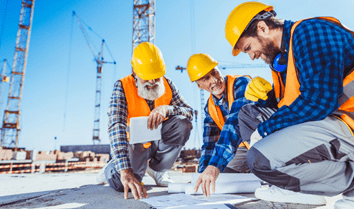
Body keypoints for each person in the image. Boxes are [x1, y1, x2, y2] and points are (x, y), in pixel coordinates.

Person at [225, 1, 354, 208]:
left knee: (259, 159)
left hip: (347, 123)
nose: (251, 56)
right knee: (250, 114)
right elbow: (291, 104)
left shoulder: (309, 32)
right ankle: (295, 183)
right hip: (329, 119)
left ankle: (345, 181)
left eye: (249, 47)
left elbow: (318, 100)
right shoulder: (284, 57)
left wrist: (267, 129)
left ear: (262, 28)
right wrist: (267, 99)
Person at [97, 42, 193, 200]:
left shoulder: (168, 84)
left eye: (156, 77)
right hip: (134, 146)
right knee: (125, 184)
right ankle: (112, 167)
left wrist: (167, 109)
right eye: (146, 78)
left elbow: (189, 112)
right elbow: (116, 126)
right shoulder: (122, 87)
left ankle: (158, 170)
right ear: (134, 72)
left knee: (183, 123)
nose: (152, 82)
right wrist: (125, 171)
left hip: (157, 142)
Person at [186, 53, 255, 197]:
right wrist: (203, 173)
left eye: (214, 72)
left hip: (258, 142)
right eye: (206, 78)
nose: (214, 80)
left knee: (221, 173)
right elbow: (209, 144)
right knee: (218, 178)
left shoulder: (241, 83)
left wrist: (215, 166)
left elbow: (234, 122)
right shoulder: (210, 107)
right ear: (199, 85)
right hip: (239, 149)